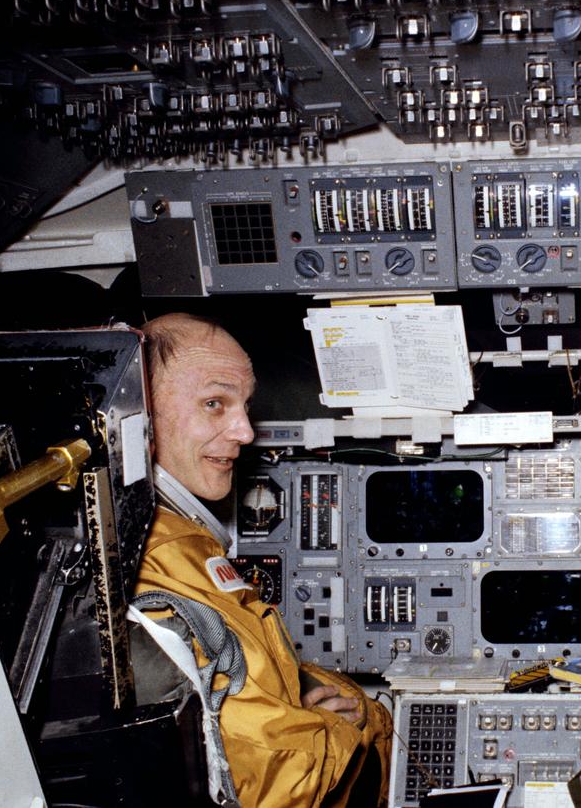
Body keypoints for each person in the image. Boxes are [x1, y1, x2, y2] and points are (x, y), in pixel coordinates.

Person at [132, 312, 392, 808]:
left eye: (243, 406)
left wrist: (315, 695)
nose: (245, 431)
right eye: (214, 403)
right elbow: (267, 778)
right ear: (138, 416)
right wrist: (354, 720)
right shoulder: (156, 560)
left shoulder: (185, 543)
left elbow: (253, 690)